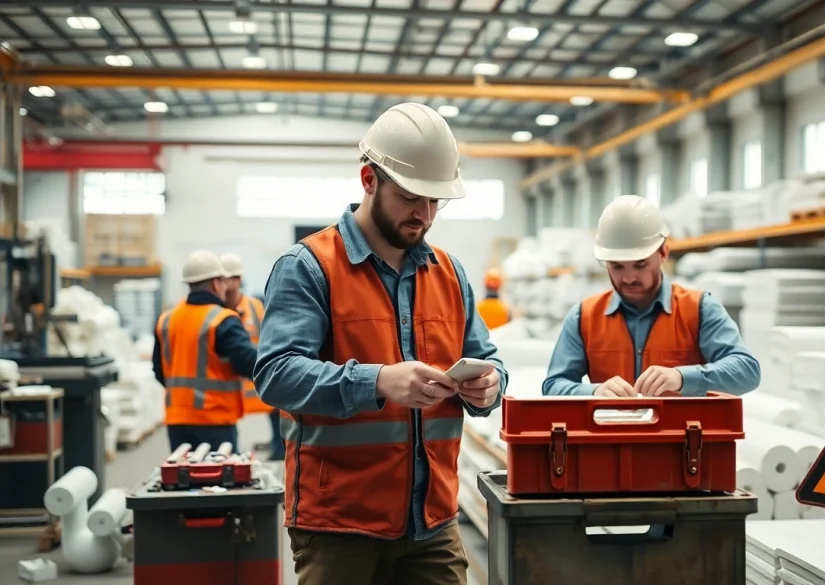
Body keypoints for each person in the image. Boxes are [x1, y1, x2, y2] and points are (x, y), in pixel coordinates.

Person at [255, 102, 508, 585]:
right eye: (412, 196)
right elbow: (276, 374)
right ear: (369, 179)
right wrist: (378, 381)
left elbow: (489, 360)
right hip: (338, 527)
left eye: (437, 201)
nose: (425, 214)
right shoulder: (309, 267)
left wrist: (490, 386)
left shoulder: (451, 274)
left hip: (432, 523)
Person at [542, 195, 760, 398]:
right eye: (617, 266)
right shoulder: (584, 317)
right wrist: (593, 392)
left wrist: (682, 377)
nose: (628, 278)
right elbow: (553, 385)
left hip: (683, 438)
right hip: (609, 437)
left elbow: (746, 371)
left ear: (663, 253)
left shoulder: (699, 309)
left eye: (640, 265)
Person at [154, 250, 258, 453]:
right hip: (215, 421)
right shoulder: (223, 319)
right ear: (215, 283)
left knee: (183, 479)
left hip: (177, 420)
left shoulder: (167, 319)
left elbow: (159, 370)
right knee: (217, 481)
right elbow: (248, 363)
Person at [220, 253, 283, 461]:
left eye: (228, 278)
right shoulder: (216, 312)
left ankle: (278, 449)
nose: (224, 284)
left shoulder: (254, 307)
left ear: (237, 280)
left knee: (277, 409)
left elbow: (270, 337)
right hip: (228, 385)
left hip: (255, 379)